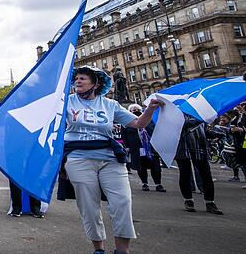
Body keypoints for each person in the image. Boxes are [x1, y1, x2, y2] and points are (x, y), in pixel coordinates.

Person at [63, 65, 163, 254]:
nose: (78, 81)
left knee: (122, 202)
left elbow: (138, 123)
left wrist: (150, 109)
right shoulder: (66, 102)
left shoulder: (109, 105)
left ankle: (122, 250)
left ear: (96, 83)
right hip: (78, 158)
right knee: (89, 207)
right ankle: (98, 248)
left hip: (110, 158)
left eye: (83, 78)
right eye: (76, 78)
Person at [175, 114, 223, 215]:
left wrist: (215, 134)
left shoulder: (199, 114)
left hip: (199, 148)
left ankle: (210, 203)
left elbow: (204, 131)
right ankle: (188, 201)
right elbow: (180, 126)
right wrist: (199, 120)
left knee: (206, 176)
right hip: (183, 149)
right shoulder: (176, 114)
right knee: (185, 175)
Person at [122, 104, 165, 192]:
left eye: (137, 109)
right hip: (137, 147)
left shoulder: (149, 119)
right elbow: (124, 135)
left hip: (150, 147)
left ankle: (158, 184)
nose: (135, 110)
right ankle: (144, 183)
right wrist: (127, 146)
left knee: (155, 166)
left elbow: (155, 130)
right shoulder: (126, 122)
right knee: (141, 166)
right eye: (133, 110)